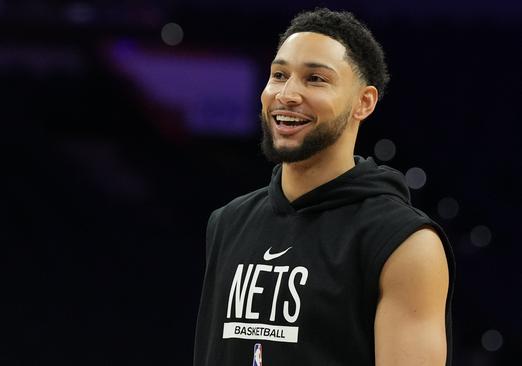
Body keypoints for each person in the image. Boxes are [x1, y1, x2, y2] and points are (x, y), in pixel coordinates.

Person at [193, 8, 455, 366]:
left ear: (364, 102)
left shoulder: (405, 243)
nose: (287, 93)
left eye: (315, 78)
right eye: (279, 74)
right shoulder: (228, 222)